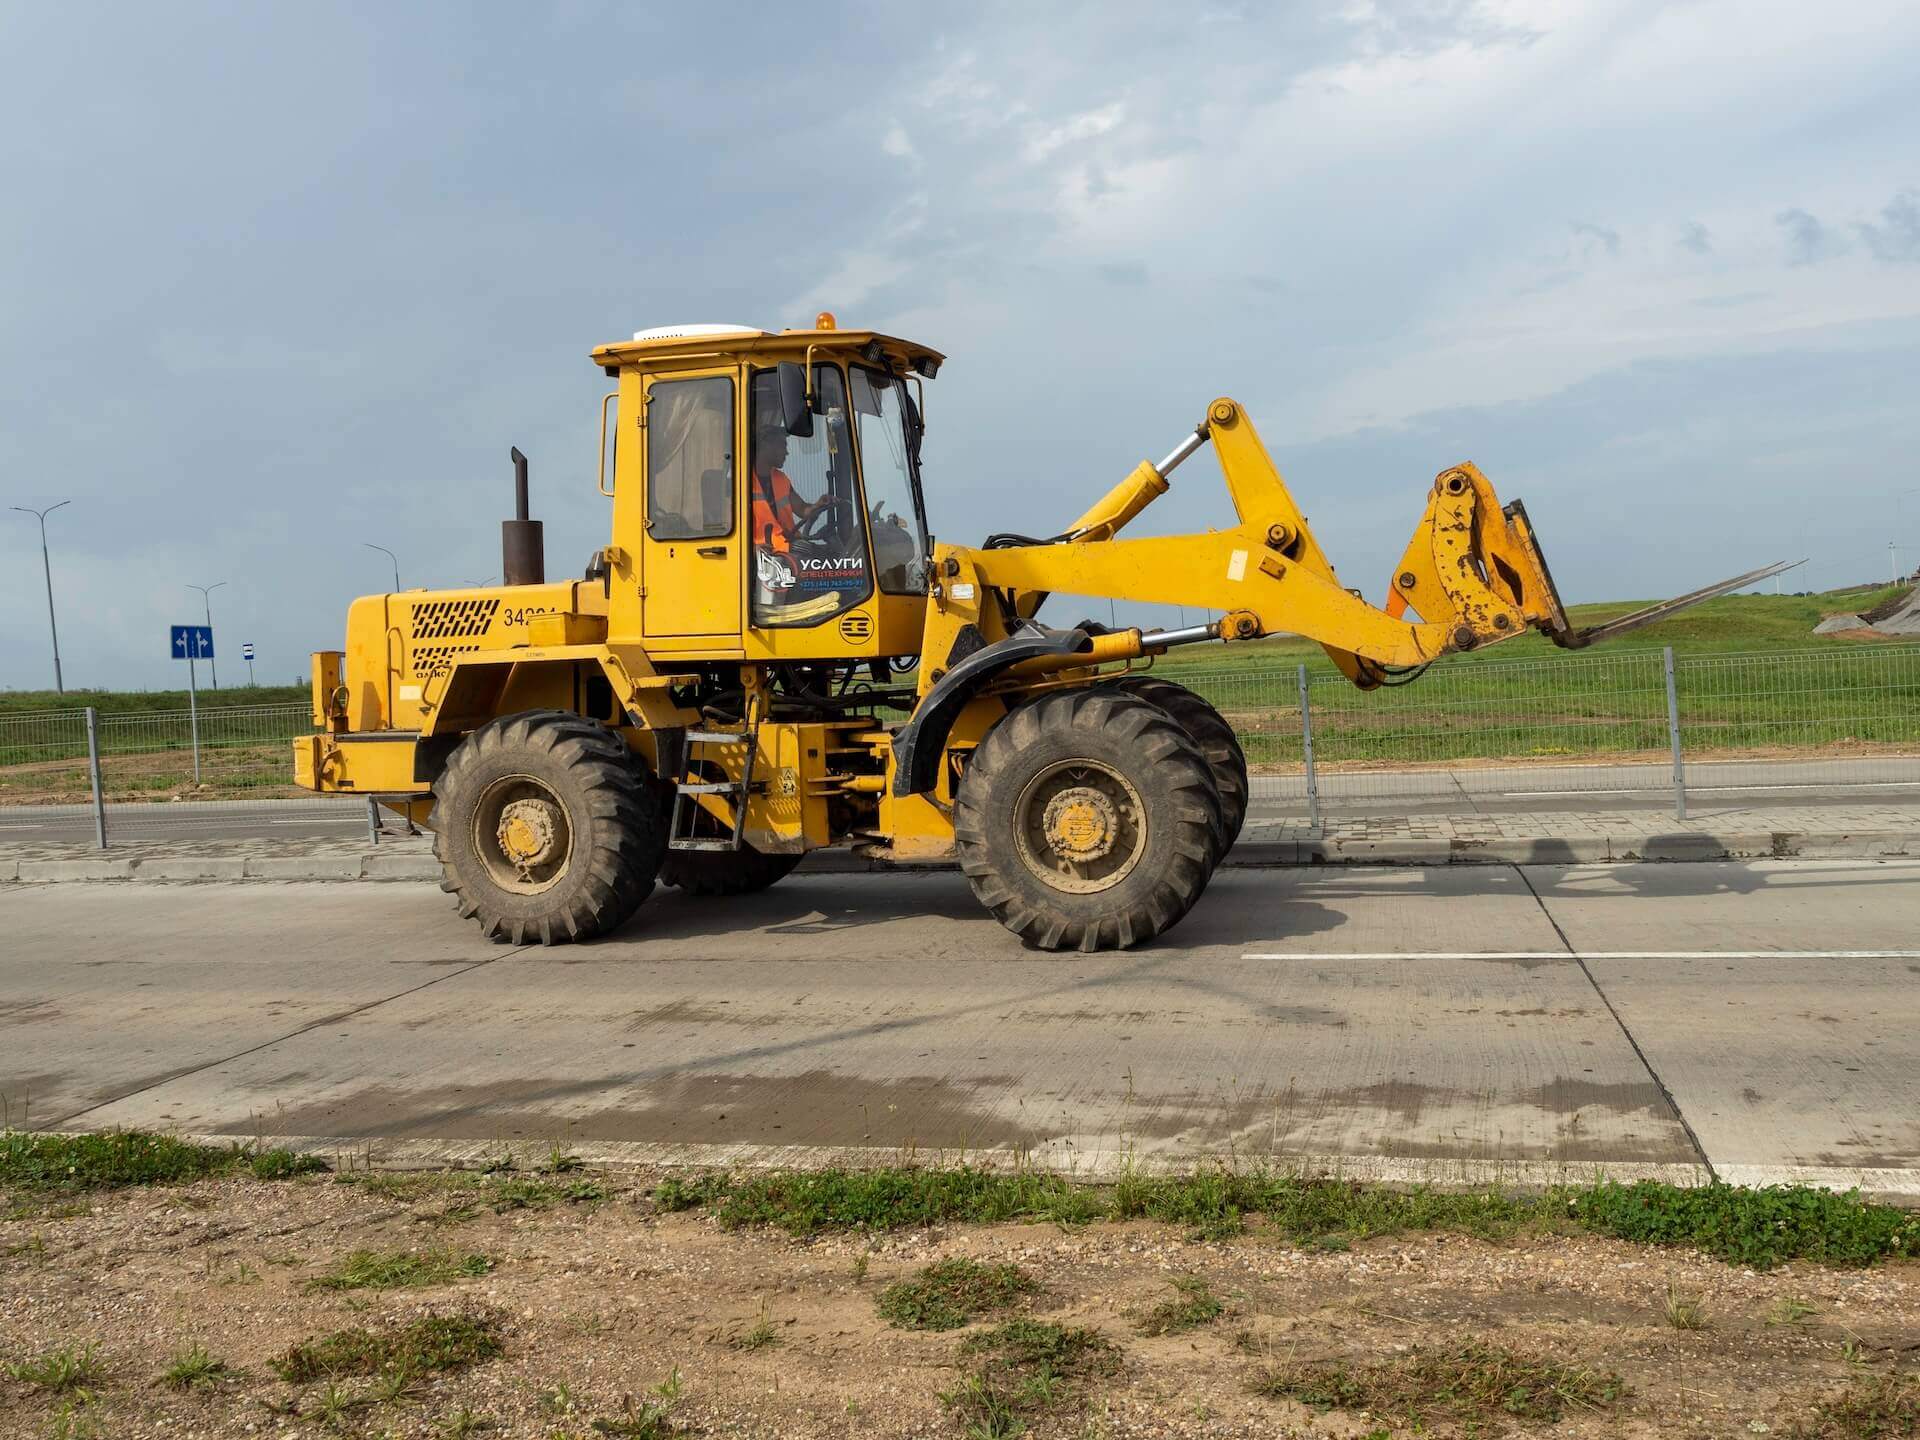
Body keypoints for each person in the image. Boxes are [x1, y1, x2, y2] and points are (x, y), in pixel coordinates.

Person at [749, 424, 823, 553]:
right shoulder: (741, 482)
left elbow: (802, 509)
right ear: (766, 445)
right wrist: (750, 550)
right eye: (782, 445)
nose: (787, 452)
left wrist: (818, 505)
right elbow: (728, 525)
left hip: (788, 547)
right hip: (764, 555)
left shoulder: (781, 479)